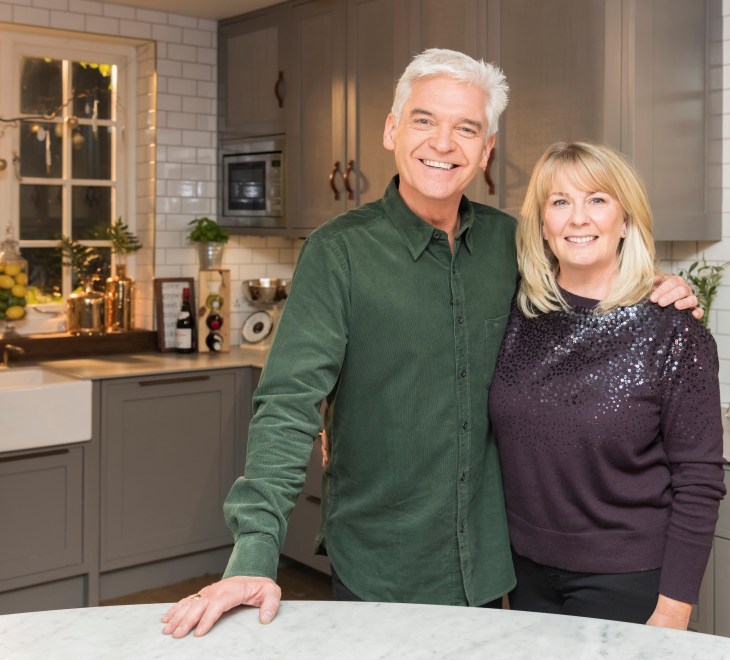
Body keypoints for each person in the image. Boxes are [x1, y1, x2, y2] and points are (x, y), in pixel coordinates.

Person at [161, 50, 699, 639]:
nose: (443, 144)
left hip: (495, 570)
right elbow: (287, 408)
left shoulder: (512, 245)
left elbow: (588, 262)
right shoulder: (338, 254)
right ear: (392, 129)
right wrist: (254, 554)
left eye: (466, 128)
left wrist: (661, 288)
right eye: (424, 120)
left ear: (486, 150)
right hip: (381, 567)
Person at [489, 141, 725, 629]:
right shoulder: (515, 311)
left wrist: (674, 609)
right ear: (542, 225)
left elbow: (699, 481)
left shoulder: (674, 330)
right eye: (560, 202)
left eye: (597, 200)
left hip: (628, 579)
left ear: (626, 221)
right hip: (522, 570)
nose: (578, 218)